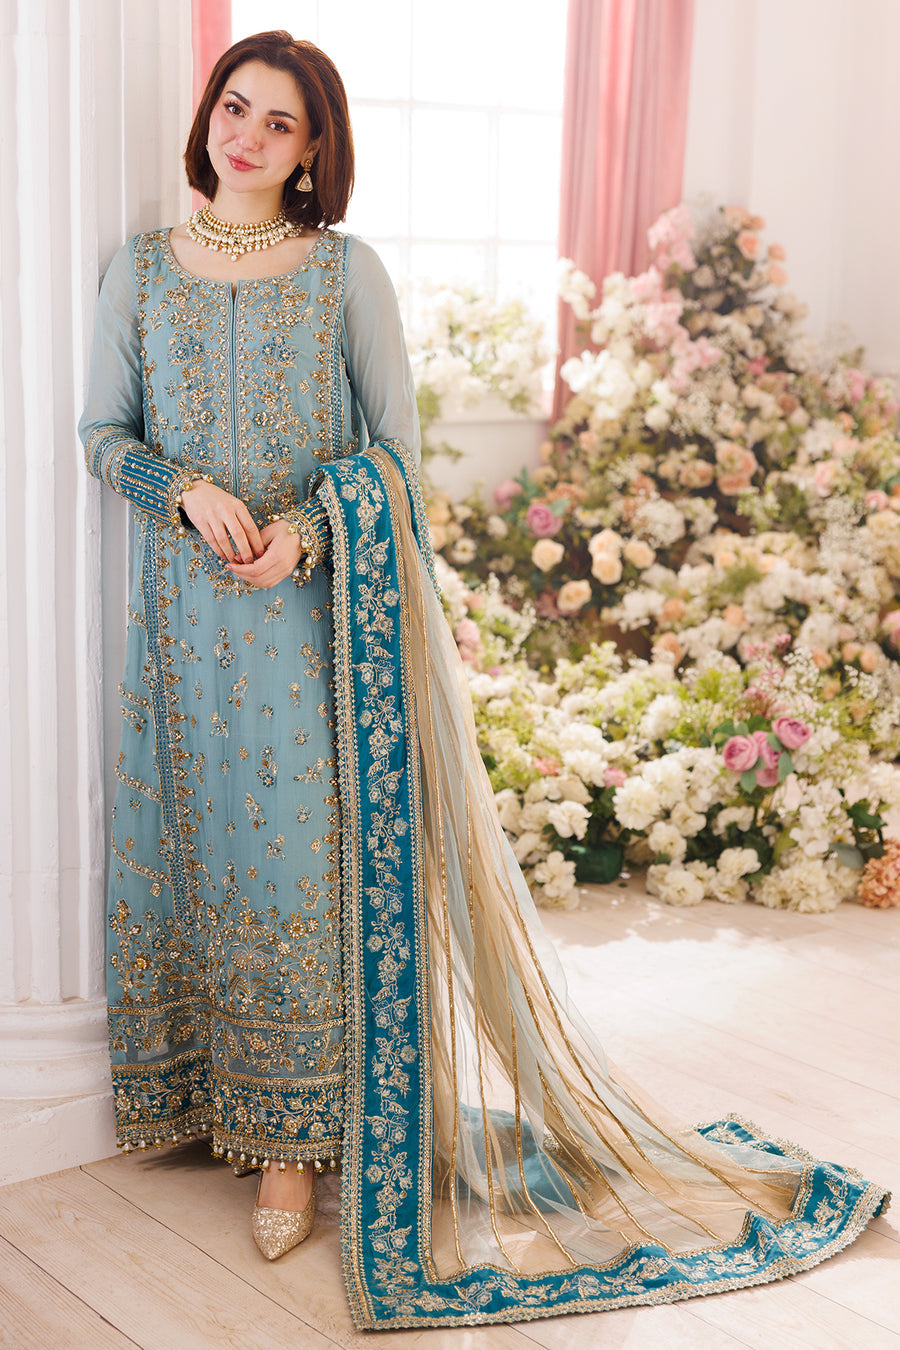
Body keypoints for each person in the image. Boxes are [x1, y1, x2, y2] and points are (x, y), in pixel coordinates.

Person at [80, 31, 889, 1333]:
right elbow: (101, 432)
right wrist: (182, 491)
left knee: (301, 871)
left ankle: (297, 1147)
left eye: (280, 122)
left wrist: (305, 532)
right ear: (208, 115)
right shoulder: (140, 270)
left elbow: (396, 456)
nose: (247, 135)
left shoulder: (345, 273)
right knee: (200, 852)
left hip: (313, 628)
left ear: (314, 150)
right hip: (181, 629)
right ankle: (214, 1101)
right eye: (235, 106)